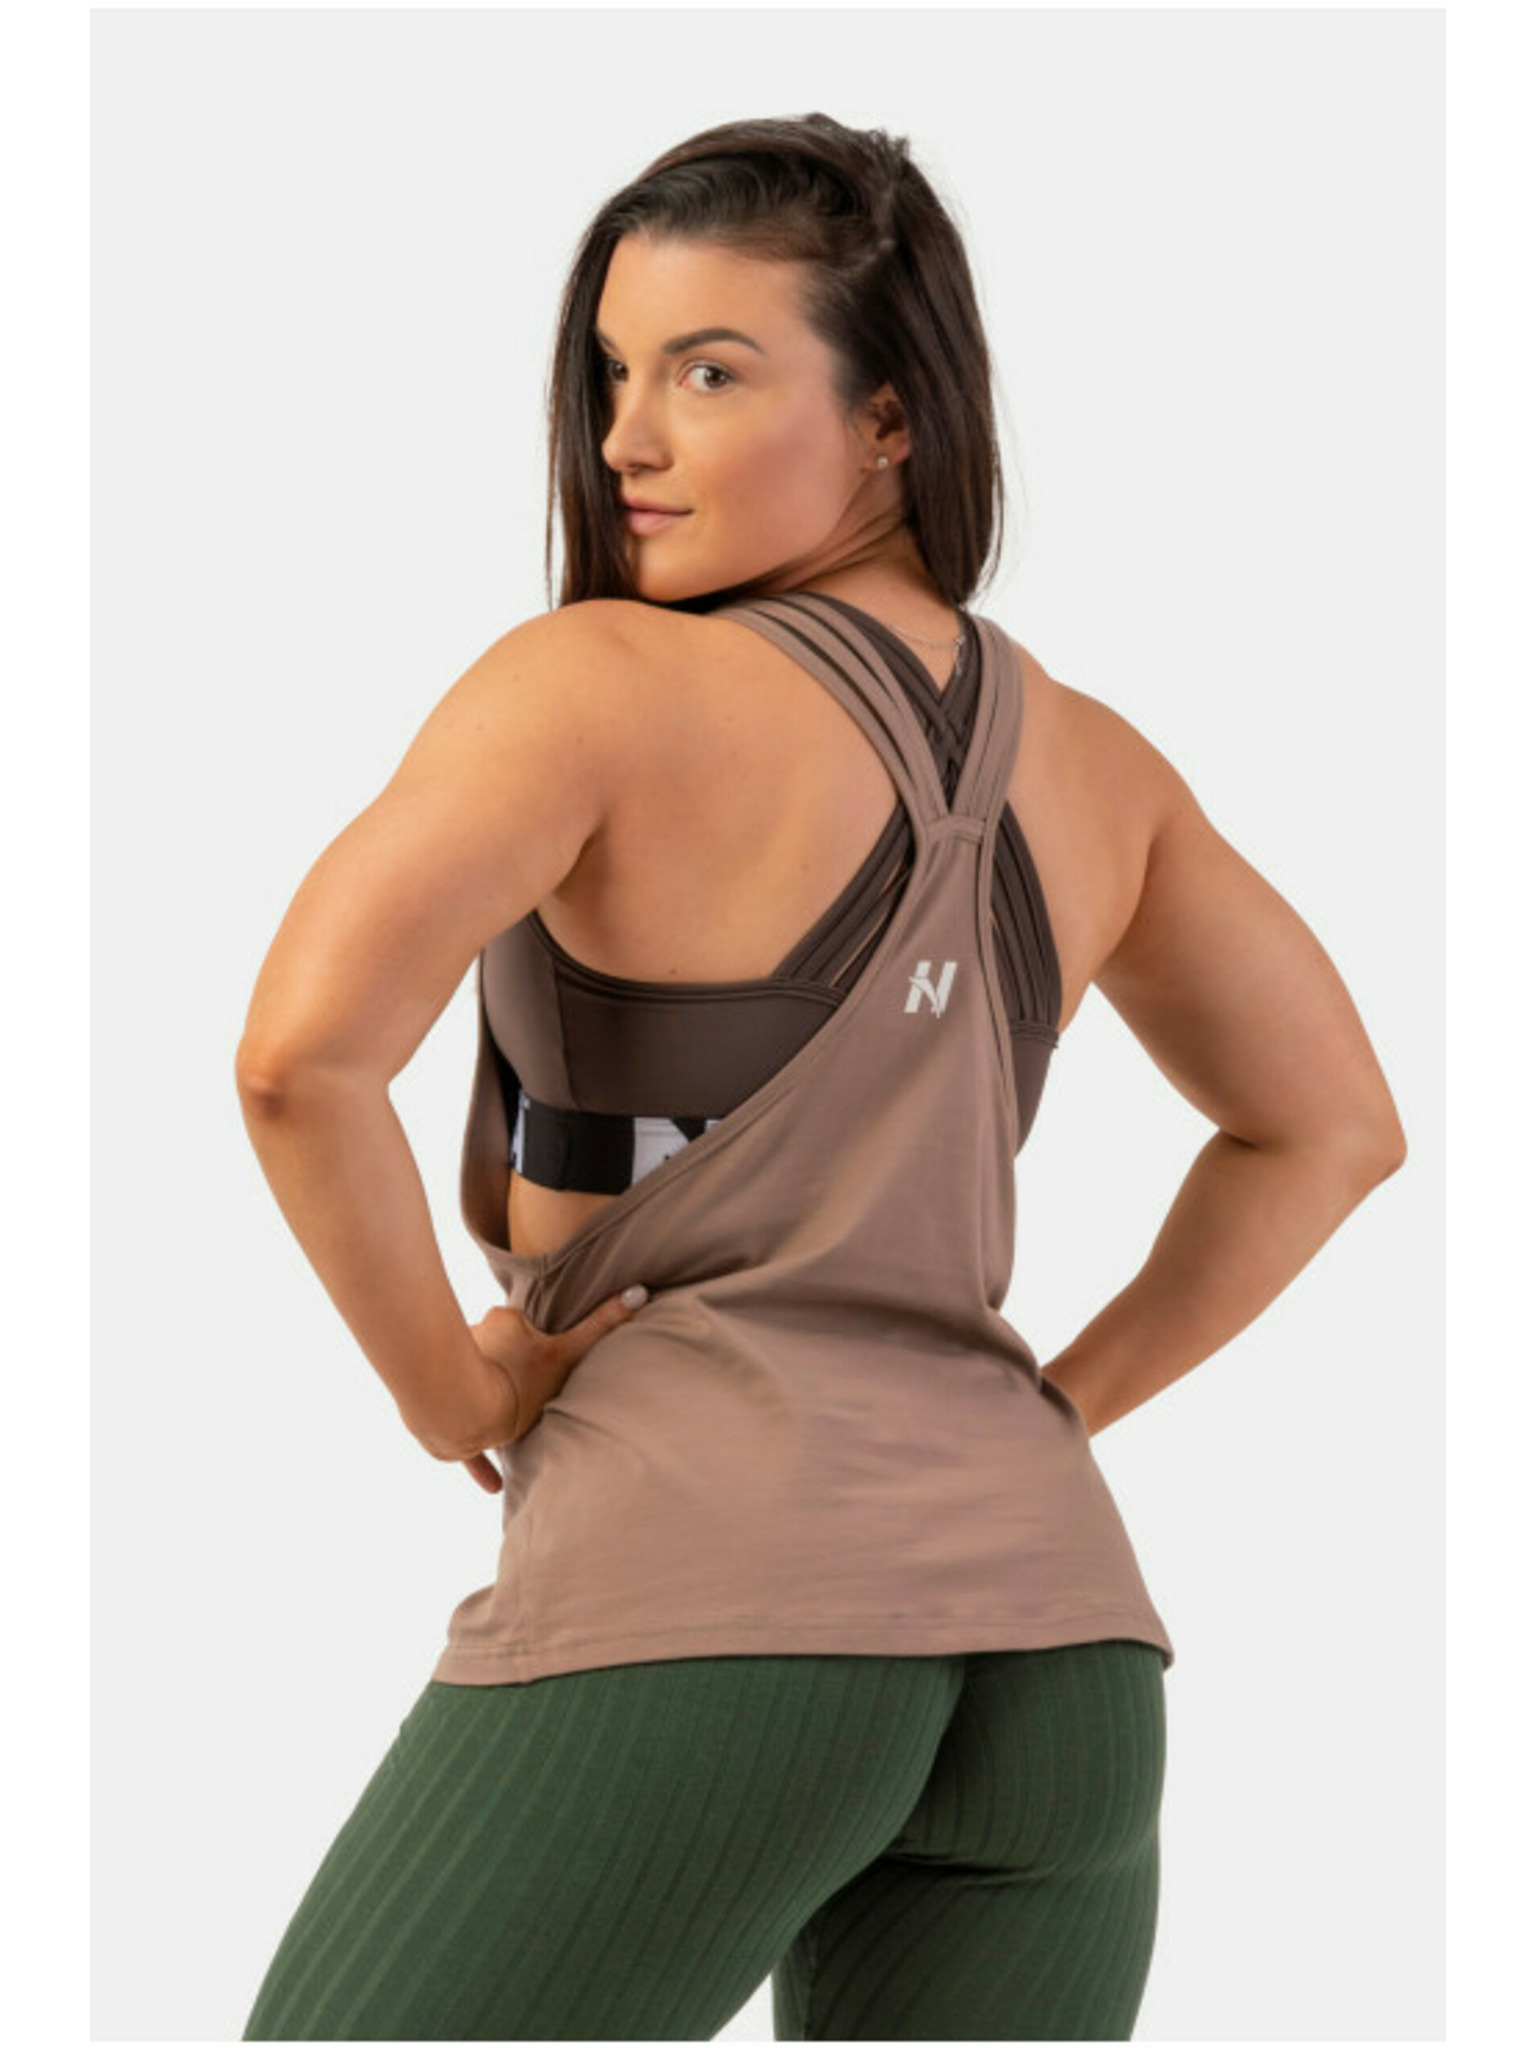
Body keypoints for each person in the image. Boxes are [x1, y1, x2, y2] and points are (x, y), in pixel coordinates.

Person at [234, 114, 1407, 2042]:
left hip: (711, 1607)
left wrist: (454, 1386)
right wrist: (1055, 1411)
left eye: (710, 373)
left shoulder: (595, 686)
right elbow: (1331, 1126)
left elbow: (300, 1061)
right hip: (1062, 1666)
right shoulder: (1100, 767)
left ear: (891, 421)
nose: (628, 438)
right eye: (613, 372)